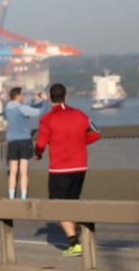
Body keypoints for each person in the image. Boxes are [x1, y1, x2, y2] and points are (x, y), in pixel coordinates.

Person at [35, 82, 101, 257]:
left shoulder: (47, 119)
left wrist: (38, 154)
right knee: (72, 203)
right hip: (80, 167)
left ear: (50, 98)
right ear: (65, 96)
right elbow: (96, 133)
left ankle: (74, 244)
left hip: (60, 169)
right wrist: (78, 142)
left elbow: (40, 144)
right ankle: (80, 225)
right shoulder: (80, 115)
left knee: (58, 206)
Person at [3, 87, 49, 199]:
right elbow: (41, 112)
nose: (23, 97)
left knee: (13, 171)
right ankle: (23, 198)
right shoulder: (22, 108)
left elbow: (24, 107)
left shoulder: (7, 108)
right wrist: (45, 100)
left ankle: (11, 197)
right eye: (22, 95)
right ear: (18, 96)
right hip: (24, 141)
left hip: (12, 142)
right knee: (23, 171)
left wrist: (33, 99)